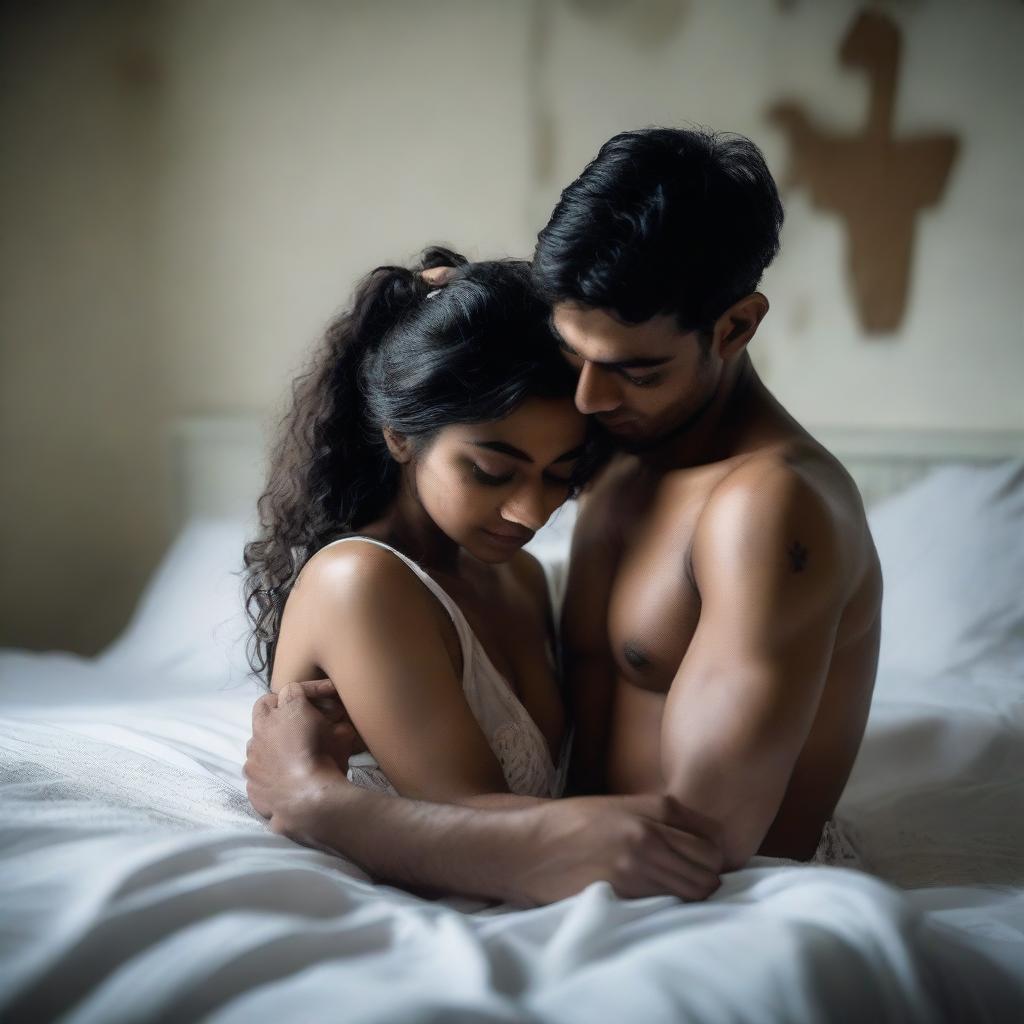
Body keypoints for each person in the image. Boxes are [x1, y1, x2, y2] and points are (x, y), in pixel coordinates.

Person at [246, 125, 882, 895]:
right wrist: (438, 309)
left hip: (720, 901)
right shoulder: (609, 438)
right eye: (572, 354)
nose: (588, 398)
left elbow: (699, 843)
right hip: (571, 871)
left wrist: (318, 803)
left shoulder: (764, 506)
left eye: (632, 371)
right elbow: (485, 407)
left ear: (736, 326)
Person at [242, 248, 725, 906]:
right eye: (492, 471)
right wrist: (309, 800)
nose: (530, 511)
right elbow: (467, 825)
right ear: (400, 436)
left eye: (562, 474)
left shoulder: (518, 574)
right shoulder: (358, 581)